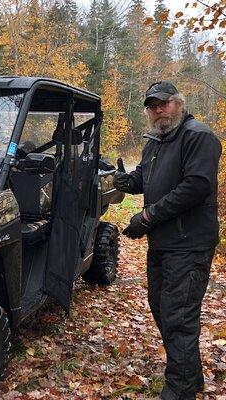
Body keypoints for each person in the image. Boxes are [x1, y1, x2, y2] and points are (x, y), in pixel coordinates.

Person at [113, 81, 222, 400]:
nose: (158, 109)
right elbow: (146, 178)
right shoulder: (156, 141)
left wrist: (147, 218)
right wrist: (126, 181)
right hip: (163, 243)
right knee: (162, 308)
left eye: (164, 103)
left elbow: (196, 186)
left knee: (178, 314)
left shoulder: (198, 135)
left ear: (179, 103)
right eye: (151, 105)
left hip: (189, 243)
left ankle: (180, 388)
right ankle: (191, 375)